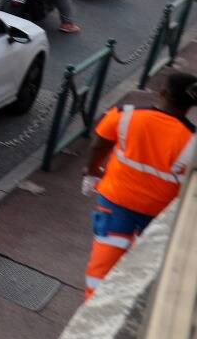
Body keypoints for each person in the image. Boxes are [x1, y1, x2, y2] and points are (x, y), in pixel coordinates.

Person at [80, 72, 197, 298]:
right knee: (141, 264)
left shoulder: (125, 115)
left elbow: (98, 145)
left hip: (115, 203)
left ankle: (93, 305)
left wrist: (92, 171)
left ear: (162, 92)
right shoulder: (192, 140)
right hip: (158, 213)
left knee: (103, 262)